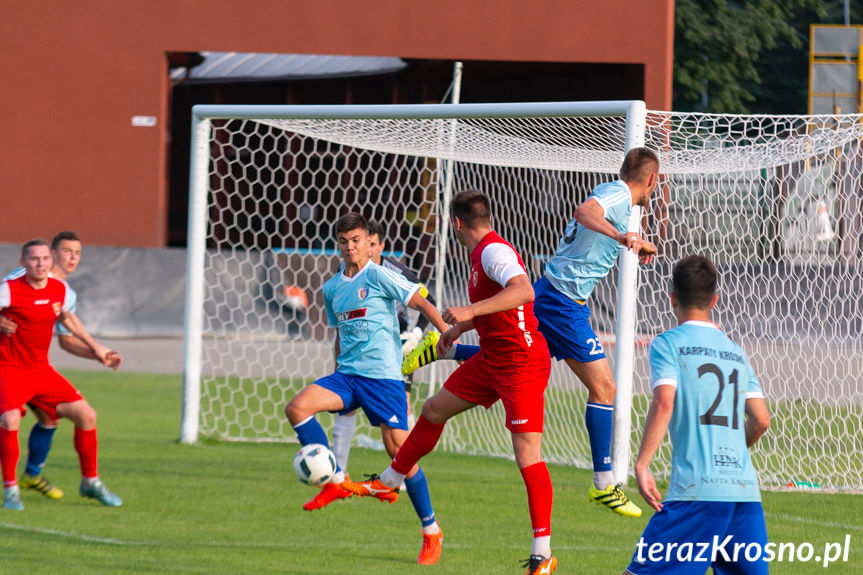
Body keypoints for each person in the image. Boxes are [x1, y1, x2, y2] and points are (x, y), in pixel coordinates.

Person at [403, 147, 659, 518]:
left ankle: (446, 349)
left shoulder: (616, 197)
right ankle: (605, 484)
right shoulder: (617, 193)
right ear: (651, 178)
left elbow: (595, 221)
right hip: (564, 302)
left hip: (550, 290)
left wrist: (632, 238)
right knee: (604, 388)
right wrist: (624, 238)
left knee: (514, 358)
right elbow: (585, 212)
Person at [345, 191, 557, 575]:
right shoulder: (480, 256)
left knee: (528, 455)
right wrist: (460, 327)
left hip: (522, 364)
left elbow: (524, 291)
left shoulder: (494, 252)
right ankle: (391, 480)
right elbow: (502, 307)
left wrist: (469, 310)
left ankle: (542, 555)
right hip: (493, 359)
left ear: (456, 223)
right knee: (433, 409)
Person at [284, 213, 450, 565]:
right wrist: (334, 371)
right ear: (337, 244)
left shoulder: (378, 275)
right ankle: (334, 479)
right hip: (346, 376)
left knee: (401, 455)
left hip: (382, 378)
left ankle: (431, 531)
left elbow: (420, 301)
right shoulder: (331, 287)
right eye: (344, 241)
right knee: (297, 408)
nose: (350, 246)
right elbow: (339, 336)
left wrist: (446, 333)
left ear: (366, 241)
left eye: (356, 240)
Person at [624, 255, 771, 574]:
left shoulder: (667, 344)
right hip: (743, 492)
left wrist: (642, 464)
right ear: (714, 300)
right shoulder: (734, 350)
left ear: (673, 297)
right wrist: (732, 449)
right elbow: (761, 420)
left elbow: (664, 402)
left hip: (697, 490)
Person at [0, 239, 122, 510]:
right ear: (23, 263)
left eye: (77, 252)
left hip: (40, 370)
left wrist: (98, 349)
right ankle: (10, 491)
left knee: (86, 415)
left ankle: (89, 482)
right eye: (34, 259)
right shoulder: (10, 287)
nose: (41, 263)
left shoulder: (61, 290)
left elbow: (67, 322)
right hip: (8, 369)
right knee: (9, 419)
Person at [329, 220, 437, 476]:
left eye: (372, 244)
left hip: (397, 344)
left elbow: (428, 302)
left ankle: (403, 472)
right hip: (360, 349)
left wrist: (416, 334)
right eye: (353, 242)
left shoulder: (396, 272)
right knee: (347, 404)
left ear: (379, 245)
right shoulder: (346, 271)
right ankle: (337, 472)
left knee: (404, 405)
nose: (365, 248)